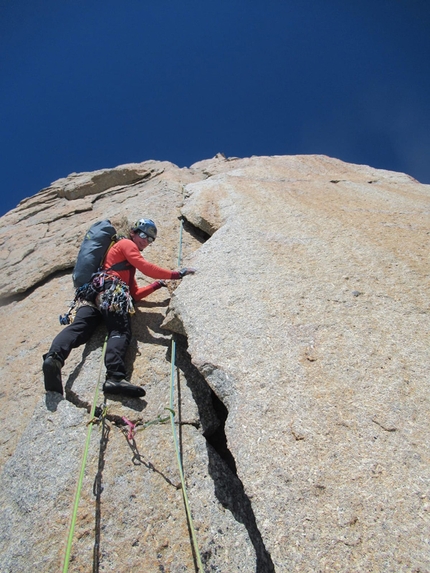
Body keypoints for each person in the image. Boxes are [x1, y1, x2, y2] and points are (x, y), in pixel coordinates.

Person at [43, 218, 195, 398]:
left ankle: (54, 358)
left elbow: (134, 294)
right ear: (133, 232)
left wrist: (156, 285)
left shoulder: (123, 265)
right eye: (143, 234)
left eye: (150, 239)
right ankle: (115, 376)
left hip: (94, 294)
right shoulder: (125, 244)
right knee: (120, 331)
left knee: (79, 328)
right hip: (111, 291)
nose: (145, 241)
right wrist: (176, 274)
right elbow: (146, 267)